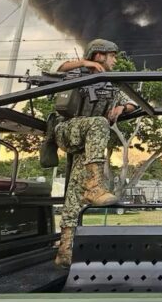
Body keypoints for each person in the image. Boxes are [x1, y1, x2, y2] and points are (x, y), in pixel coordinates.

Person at [52, 38, 136, 268]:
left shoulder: (110, 85)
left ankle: (65, 249)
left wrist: (122, 108)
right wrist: (85, 64)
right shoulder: (76, 73)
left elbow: (132, 104)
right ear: (99, 55)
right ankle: (95, 186)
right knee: (100, 122)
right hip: (67, 130)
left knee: (74, 192)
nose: (115, 60)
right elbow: (56, 69)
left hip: (87, 145)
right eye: (112, 56)